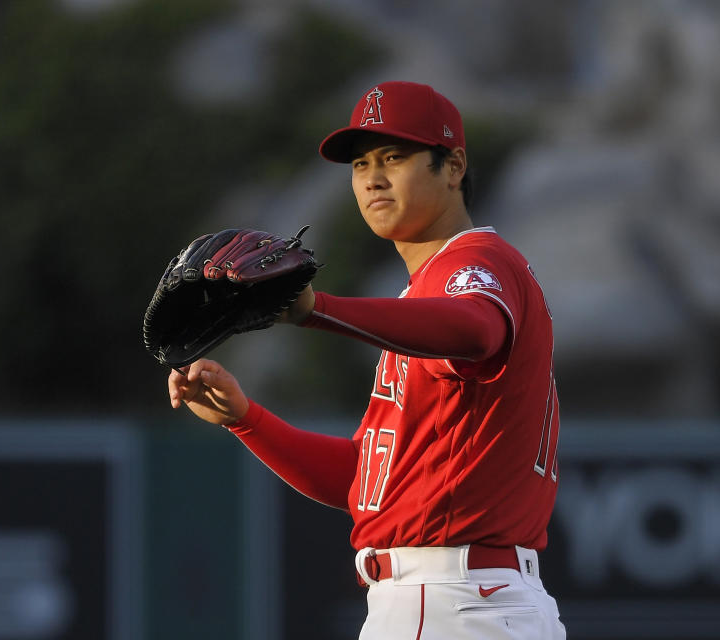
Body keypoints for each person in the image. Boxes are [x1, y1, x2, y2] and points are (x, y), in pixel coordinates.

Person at [167, 81, 565, 639]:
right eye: (360, 164)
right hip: (464, 601)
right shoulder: (426, 294)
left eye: (394, 158)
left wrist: (316, 309)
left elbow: (476, 328)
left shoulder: (477, 263)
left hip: (452, 600)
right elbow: (366, 483)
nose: (372, 177)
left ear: (452, 167)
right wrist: (246, 420)